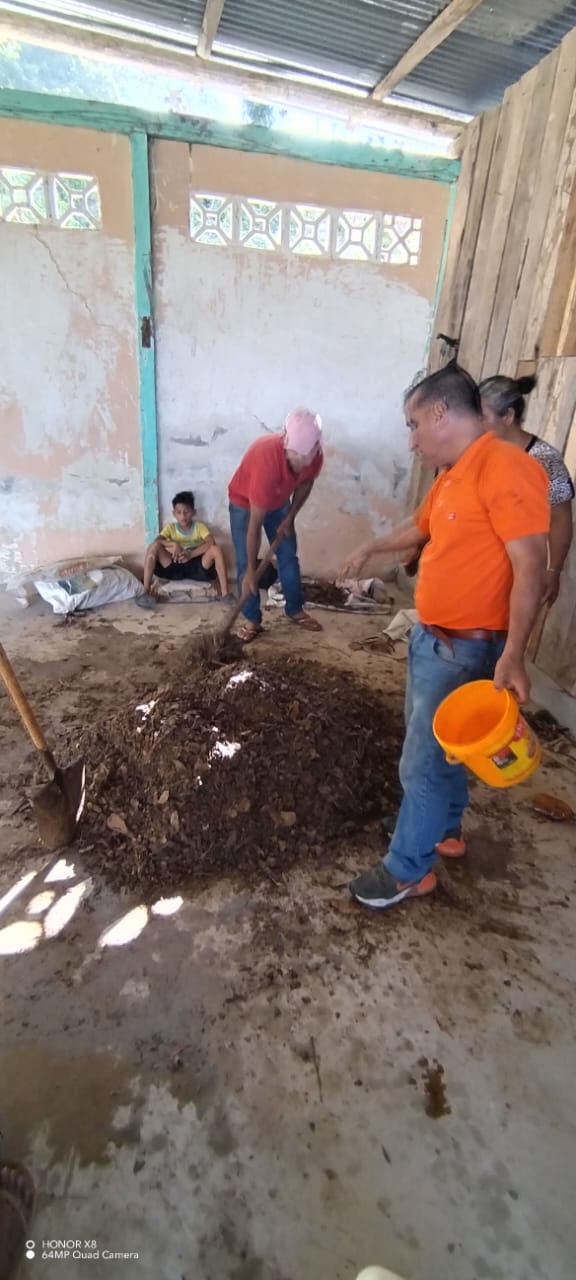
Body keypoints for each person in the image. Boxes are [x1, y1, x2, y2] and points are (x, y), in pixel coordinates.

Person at [341, 364, 549, 911]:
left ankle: (407, 871)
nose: (412, 440)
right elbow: (421, 527)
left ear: (440, 413)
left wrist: (514, 654)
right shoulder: (455, 474)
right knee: (443, 751)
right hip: (433, 641)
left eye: (414, 425)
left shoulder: (505, 468)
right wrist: (371, 548)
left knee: (422, 764)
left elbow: (530, 565)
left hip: (466, 649)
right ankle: (443, 829)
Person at [228, 409, 324, 643]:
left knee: (288, 555)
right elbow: (254, 524)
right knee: (245, 565)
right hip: (244, 504)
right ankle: (252, 619)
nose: (300, 463)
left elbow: (305, 483)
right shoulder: (266, 461)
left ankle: (295, 609)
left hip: (280, 502)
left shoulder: (315, 456)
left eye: (305, 458)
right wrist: (252, 572)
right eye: (295, 457)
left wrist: (290, 516)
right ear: (286, 443)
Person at [479, 374, 574, 606]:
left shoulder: (544, 459)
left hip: (520, 570)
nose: (477, 423)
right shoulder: (481, 453)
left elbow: (561, 519)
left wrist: (553, 570)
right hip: (481, 566)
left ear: (508, 416)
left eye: (483, 416)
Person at [143, 490, 230, 599]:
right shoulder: (170, 528)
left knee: (216, 549)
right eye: (179, 512)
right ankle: (145, 592)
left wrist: (190, 555)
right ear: (174, 513)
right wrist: (173, 544)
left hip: (197, 567)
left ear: (193, 512)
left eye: (187, 512)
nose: (183, 516)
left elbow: (211, 542)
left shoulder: (199, 527)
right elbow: (156, 541)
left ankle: (226, 594)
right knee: (153, 547)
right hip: (174, 566)